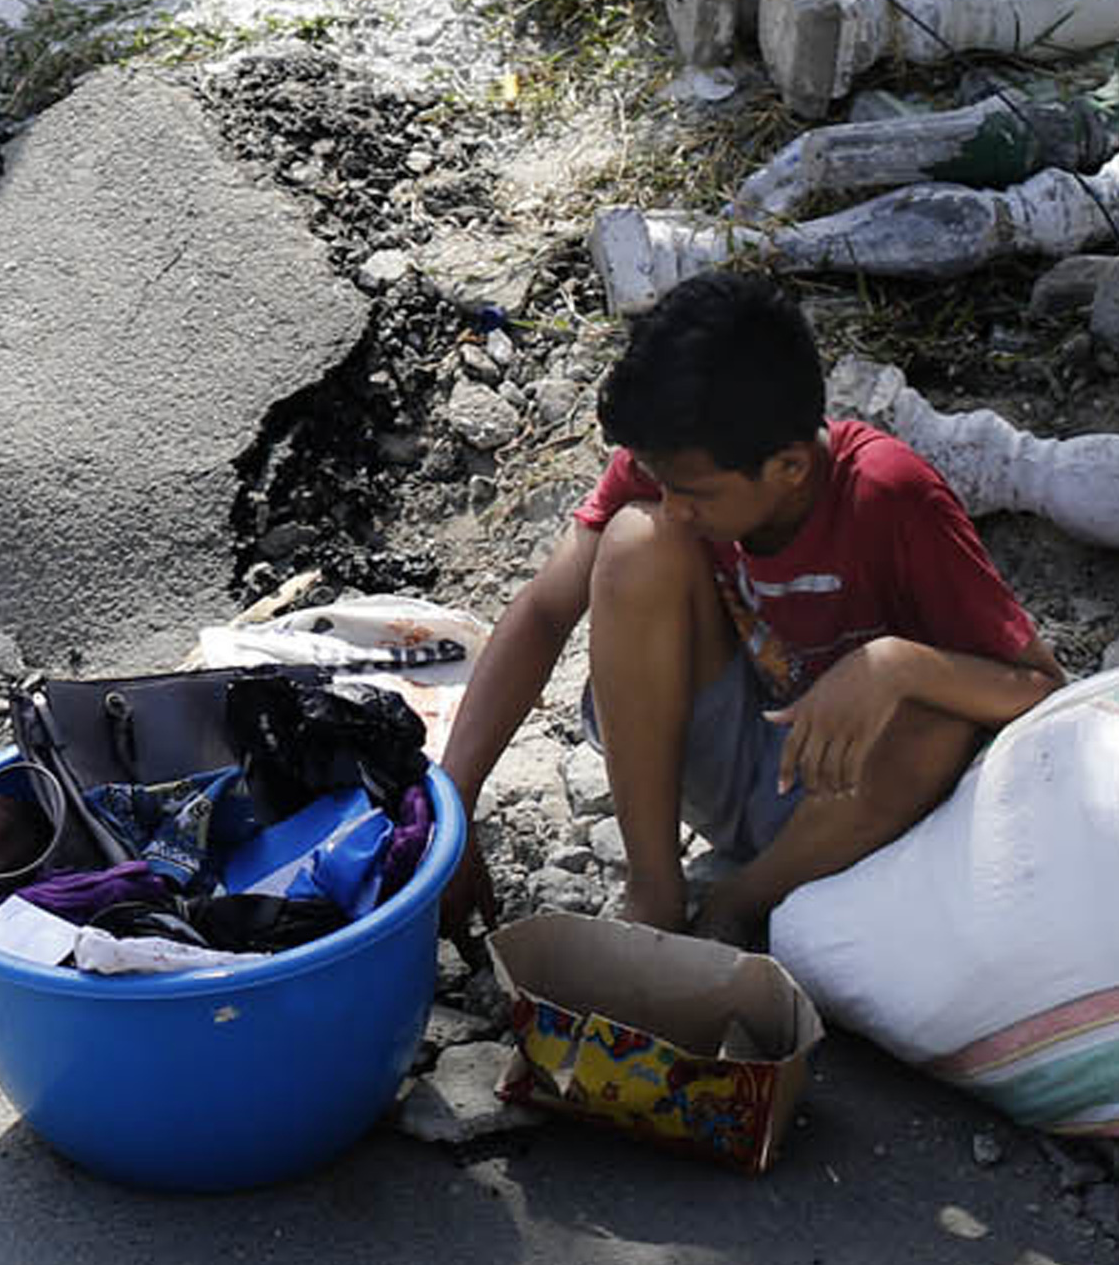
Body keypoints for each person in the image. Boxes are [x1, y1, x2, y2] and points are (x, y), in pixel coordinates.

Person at [437, 271, 1062, 945]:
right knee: (634, 543)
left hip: (855, 800)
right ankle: (655, 892)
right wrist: (450, 811)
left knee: (939, 721)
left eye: (695, 494)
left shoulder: (890, 495)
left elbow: (1041, 687)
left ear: (790, 466)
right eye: (663, 482)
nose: (675, 505)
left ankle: (739, 902)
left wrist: (896, 666)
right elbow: (543, 612)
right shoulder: (680, 467)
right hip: (737, 753)